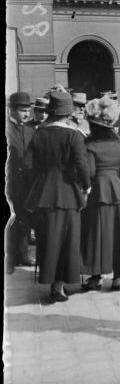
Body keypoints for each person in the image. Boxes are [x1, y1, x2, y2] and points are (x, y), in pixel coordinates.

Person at [24, 92, 90, 301]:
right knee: (67, 240)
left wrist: (40, 180)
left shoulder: (38, 133)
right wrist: (86, 187)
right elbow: (82, 166)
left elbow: (27, 164)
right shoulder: (73, 135)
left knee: (47, 238)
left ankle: (52, 281)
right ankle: (59, 285)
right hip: (67, 193)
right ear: (68, 113)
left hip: (43, 193)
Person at [81, 97, 120, 292]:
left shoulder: (89, 145)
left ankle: (95, 276)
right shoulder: (119, 145)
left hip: (99, 194)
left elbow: (88, 173)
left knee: (97, 235)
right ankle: (117, 277)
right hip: (119, 194)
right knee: (119, 236)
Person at [5, 92, 36, 273]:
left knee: (25, 219)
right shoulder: (7, 129)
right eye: (23, 110)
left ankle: (22, 256)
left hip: (27, 182)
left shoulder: (30, 130)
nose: (26, 114)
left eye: (28, 110)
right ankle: (9, 259)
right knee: (12, 219)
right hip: (11, 181)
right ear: (12, 110)